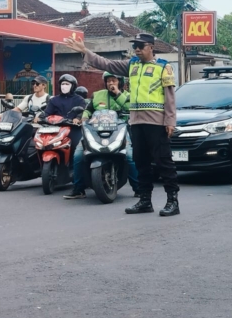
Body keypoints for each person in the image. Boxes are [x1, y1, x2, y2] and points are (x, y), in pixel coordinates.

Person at [64, 32, 181, 217]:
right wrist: (85, 51)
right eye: (135, 46)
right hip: (136, 122)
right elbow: (107, 64)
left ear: (151, 47)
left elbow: (170, 98)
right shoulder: (132, 65)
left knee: (163, 162)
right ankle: (145, 200)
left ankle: (172, 201)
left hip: (157, 123)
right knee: (141, 162)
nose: (137, 49)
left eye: (140, 46)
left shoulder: (163, 67)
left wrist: (170, 121)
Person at [67, 72, 140, 198]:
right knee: (78, 155)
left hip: (119, 131)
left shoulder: (127, 96)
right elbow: (88, 110)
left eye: (114, 80)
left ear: (120, 82)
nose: (111, 83)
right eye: (108, 81)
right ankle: (78, 189)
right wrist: (84, 118)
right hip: (95, 131)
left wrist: (118, 94)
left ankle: (139, 189)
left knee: (129, 156)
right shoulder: (98, 95)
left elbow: (130, 109)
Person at [38, 75, 87, 198]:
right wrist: (41, 116)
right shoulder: (54, 100)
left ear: (73, 86)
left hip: (73, 129)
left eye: (67, 84)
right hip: (57, 129)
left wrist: (77, 119)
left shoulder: (79, 100)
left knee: (76, 153)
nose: (64, 86)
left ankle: (79, 182)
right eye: (62, 84)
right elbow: (47, 112)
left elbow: (83, 112)